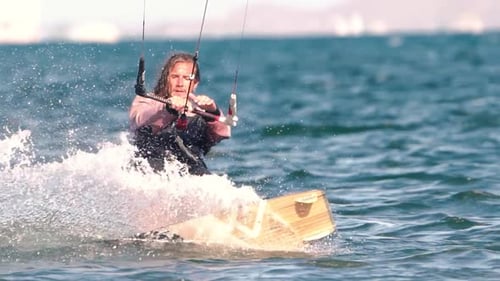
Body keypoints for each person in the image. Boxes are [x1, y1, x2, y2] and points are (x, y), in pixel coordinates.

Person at [129, 52, 231, 175]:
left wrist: (212, 110)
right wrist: (168, 109)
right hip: (148, 170)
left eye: (187, 78)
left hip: (192, 172)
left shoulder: (201, 110)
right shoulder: (146, 100)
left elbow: (223, 133)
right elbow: (138, 120)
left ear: (195, 83)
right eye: (175, 76)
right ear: (166, 78)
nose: (180, 83)